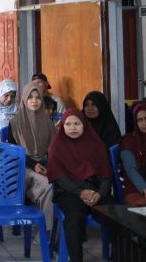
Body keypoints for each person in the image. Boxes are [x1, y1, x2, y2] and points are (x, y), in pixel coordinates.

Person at [48, 109, 114, 262]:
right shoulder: (57, 145)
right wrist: (81, 192)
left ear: (84, 124)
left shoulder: (96, 145)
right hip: (69, 192)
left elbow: (106, 175)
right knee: (75, 216)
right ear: (62, 126)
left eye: (77, 123)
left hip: (95, 190)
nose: (72, 128)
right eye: (68, 124)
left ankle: (119, 255)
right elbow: (59, 178)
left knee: (114, 212)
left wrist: (99, 194)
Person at [8, 83, 56, 233]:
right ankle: (47, 232)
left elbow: (54, 150)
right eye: (30, 97)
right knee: (48, 186)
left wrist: (48, 166)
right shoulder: (15, 123)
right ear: (24, 99)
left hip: (44, 165)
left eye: (38, 97)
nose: (34, 101)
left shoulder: (48, 123)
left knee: (62, 182)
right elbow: (14, 152)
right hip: (22, 166)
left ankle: (59, 229)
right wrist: (34, 164)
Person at [119, 102, 146, 205]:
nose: (144, 123)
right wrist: (144, 188)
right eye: (140, 120)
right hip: (134, 188)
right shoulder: (128, 141)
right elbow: (131, 170)